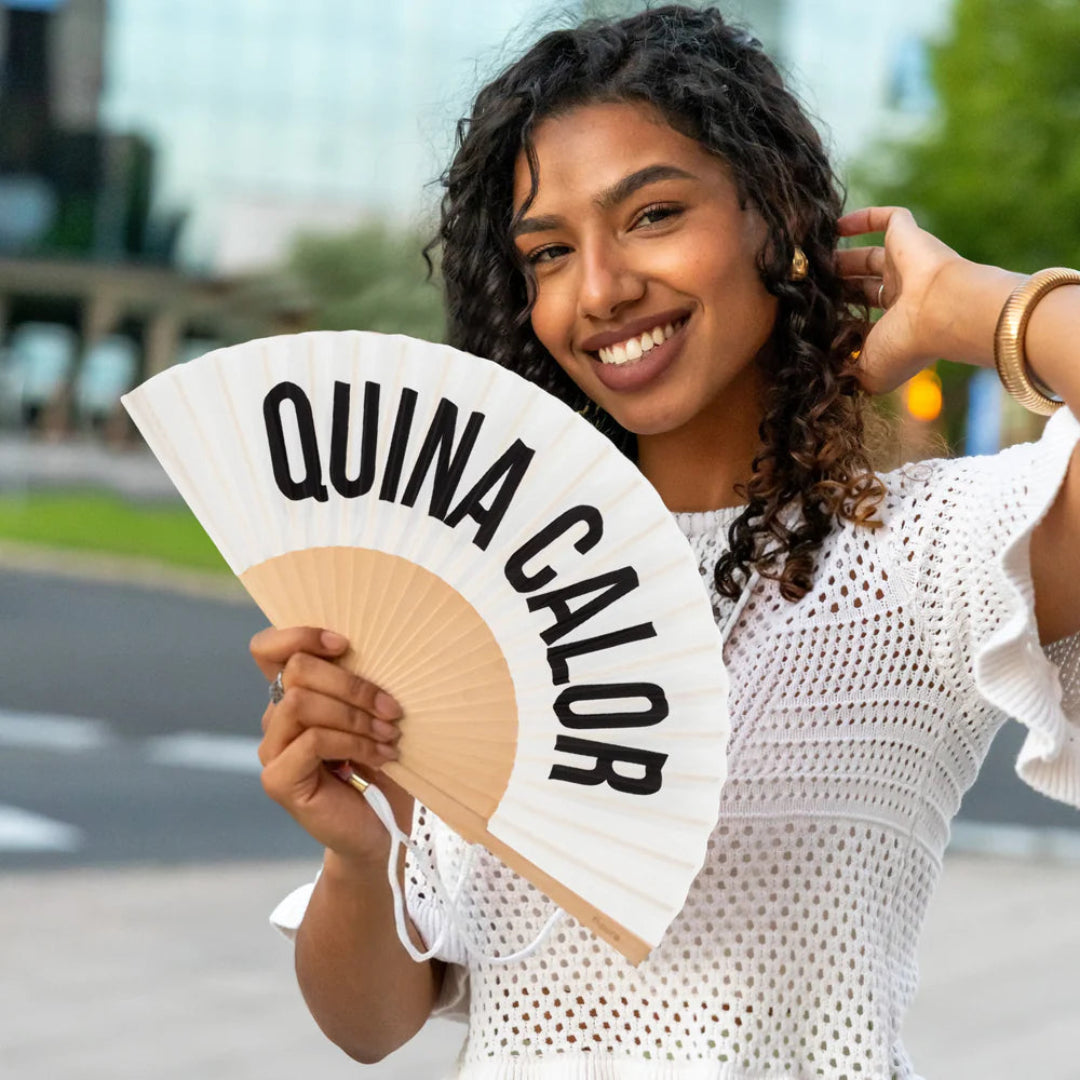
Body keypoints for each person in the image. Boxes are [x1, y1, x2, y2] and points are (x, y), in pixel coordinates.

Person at [251, 6, 1080, 1077]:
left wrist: (975, 308)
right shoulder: (477, 591)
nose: (598, 290)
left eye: (651, 214)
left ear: (770, 216)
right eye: (549, 252)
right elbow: (370, 1023)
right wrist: (360, 853)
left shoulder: (919, 554)